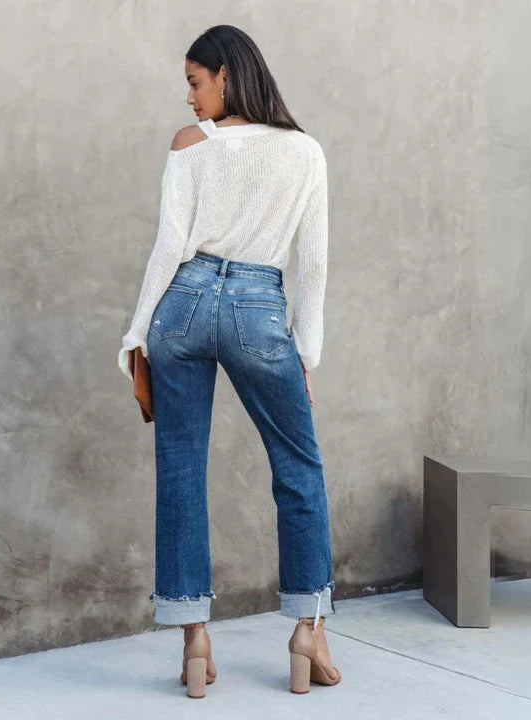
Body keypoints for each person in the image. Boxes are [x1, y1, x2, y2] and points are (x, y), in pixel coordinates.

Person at [118, 24, 340, 697]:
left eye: (195, 82)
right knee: (297, 467)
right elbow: (313, 263)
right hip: (257, 307)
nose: (189, 98)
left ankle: (194, 642)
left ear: (226, 75)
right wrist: (305, 351)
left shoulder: (191, 146)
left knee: (181, 468)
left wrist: (136, 334)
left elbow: (170, 246)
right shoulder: (305, 152)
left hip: (182, 305)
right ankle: (308, 631)